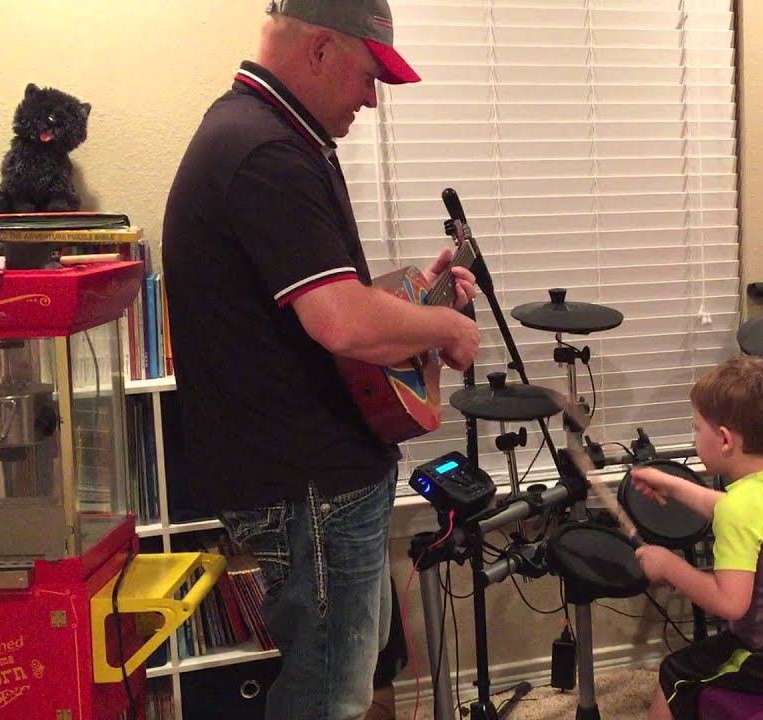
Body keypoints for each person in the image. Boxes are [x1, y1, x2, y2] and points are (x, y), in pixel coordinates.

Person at [162, 1, 480, 718]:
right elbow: (340, 323)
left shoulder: (258, 133)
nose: (372, 99)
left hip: (308, 483)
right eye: (369, 76)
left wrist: (413, 298)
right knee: (328, 696)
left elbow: (315, 305)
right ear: (321, 50)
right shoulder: (267, 153)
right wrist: (446, 330)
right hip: (312, 492)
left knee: (338, 678)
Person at [629, 355, 763, 720]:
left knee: (675, 674)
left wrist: (668, 565)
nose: (695, 436)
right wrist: (674, 485)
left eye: (697, 429)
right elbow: (738, 513)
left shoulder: (740, 508)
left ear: (725, 439)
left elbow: (729, 605)